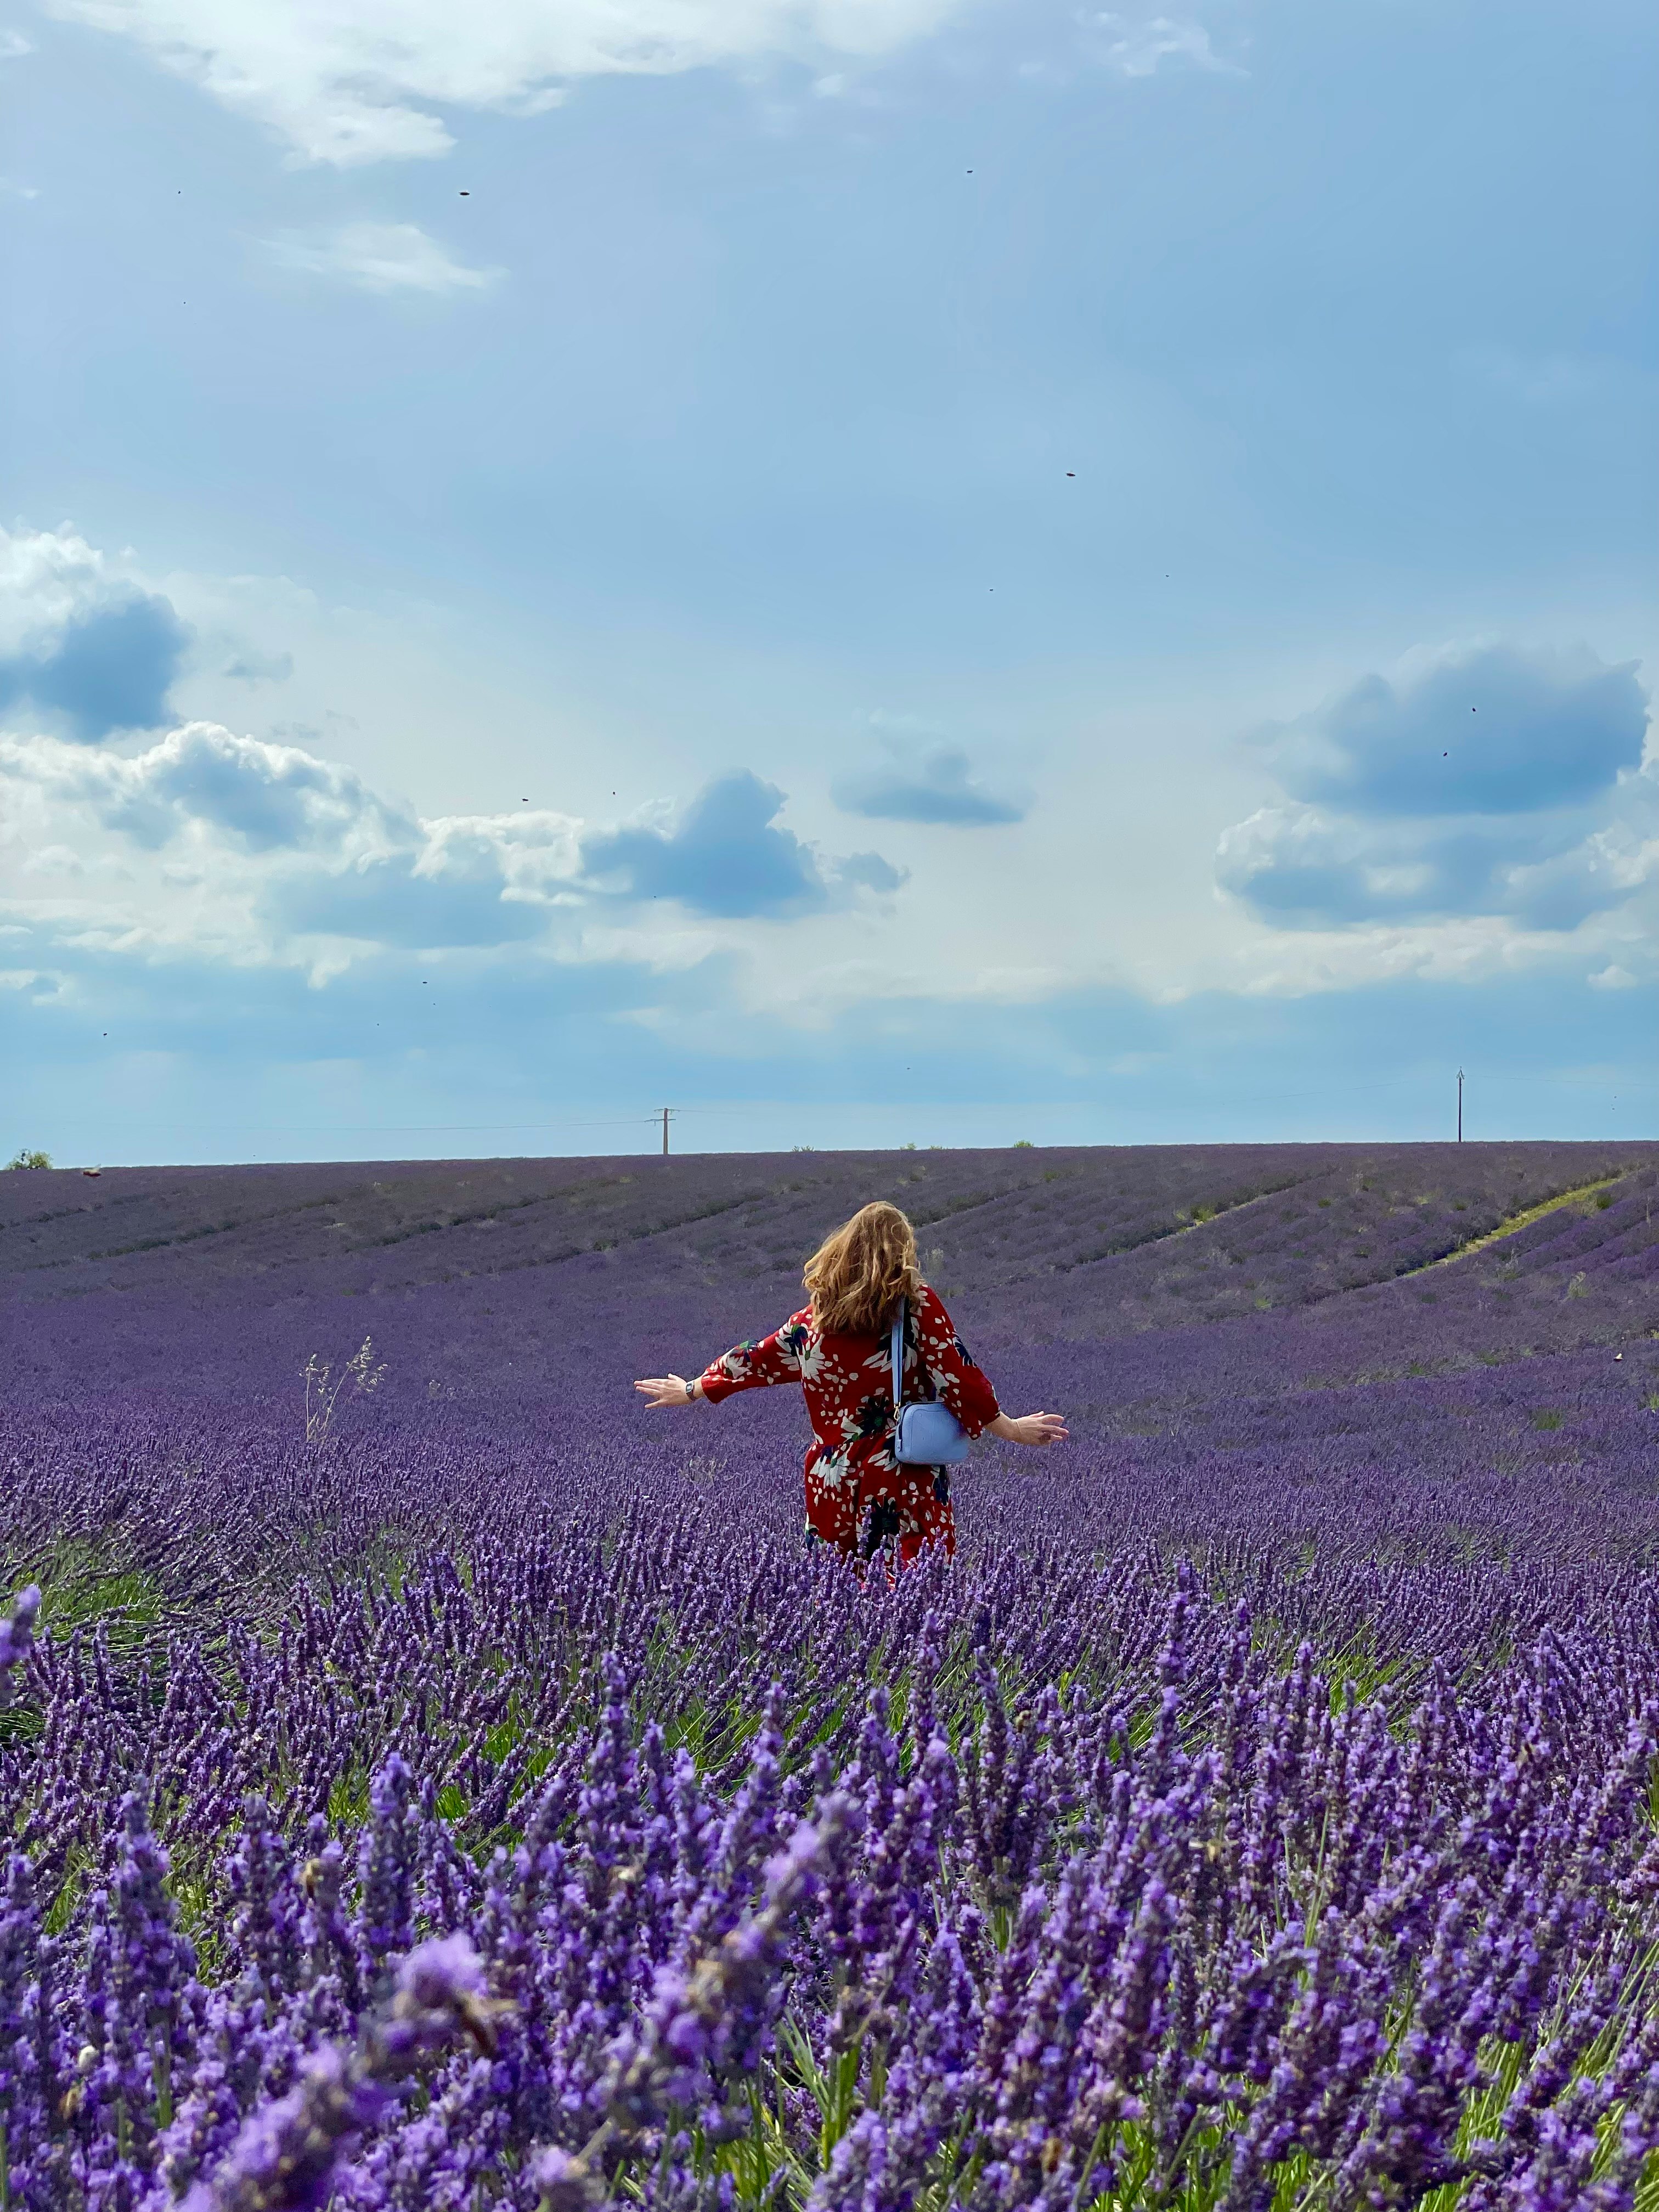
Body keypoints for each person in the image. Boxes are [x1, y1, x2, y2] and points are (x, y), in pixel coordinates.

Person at [634, 1199, 1067, 1566]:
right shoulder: (914, 1307)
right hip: (898, 1472)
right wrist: (1010, 1429)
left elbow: (755, 1359)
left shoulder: (813, 1321)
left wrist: (692, 1388)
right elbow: (959, 1378)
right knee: (910, 1598)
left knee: (836, 1599)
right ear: (902, 1253)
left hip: (829, 1476)